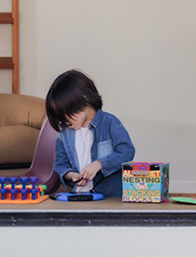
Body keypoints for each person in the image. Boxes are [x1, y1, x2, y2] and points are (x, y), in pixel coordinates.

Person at [45, 69, 135, 198]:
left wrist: (98, 165)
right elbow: (60, 164)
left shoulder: (109, 122)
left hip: (111, 198)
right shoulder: (64, 134)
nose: (63, 120)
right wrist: (71, 175)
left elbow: (127, 152)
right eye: (59, 115)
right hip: (80, 196)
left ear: (85, 99)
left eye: (66, 112)